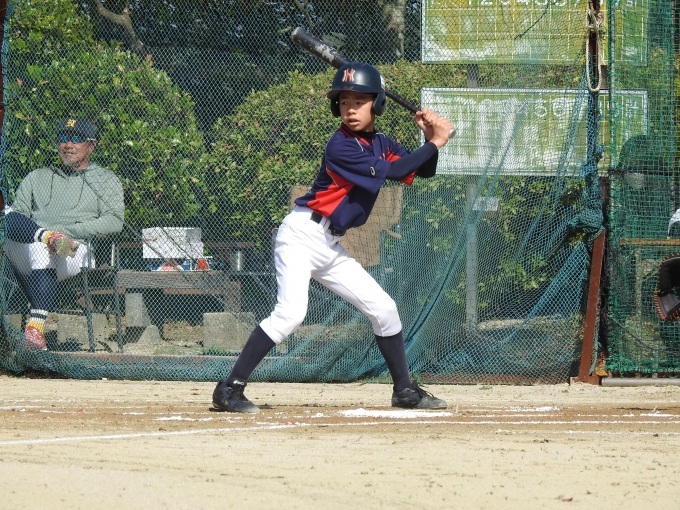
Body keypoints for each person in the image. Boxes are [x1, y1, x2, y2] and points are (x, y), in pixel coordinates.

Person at [212, 62, 454, 413]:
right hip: (300, 235)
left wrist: (429, 138)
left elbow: (421, 169)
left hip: (328, 243)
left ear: (377, 104)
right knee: (291, 314)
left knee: (384, 309)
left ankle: (404, 391)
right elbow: (396, 171)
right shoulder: (341, 145)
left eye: (359, 101)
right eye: (344, 102)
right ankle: (229, 388)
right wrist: (436, 140)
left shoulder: (381, 143)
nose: (350, 109)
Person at [4, 116, 125, 350]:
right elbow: (15, 217)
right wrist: (46, 235)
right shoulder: (37, 177)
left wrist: (67, 231)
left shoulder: (106, 179)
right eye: (63, 138)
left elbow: (114, 221)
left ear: (91, 146)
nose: (68, 144)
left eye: (76, 139)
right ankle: (46, 236)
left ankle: (35, 332)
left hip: (76, 250)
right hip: (33, 247)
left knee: (44, 247)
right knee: (6, 214)